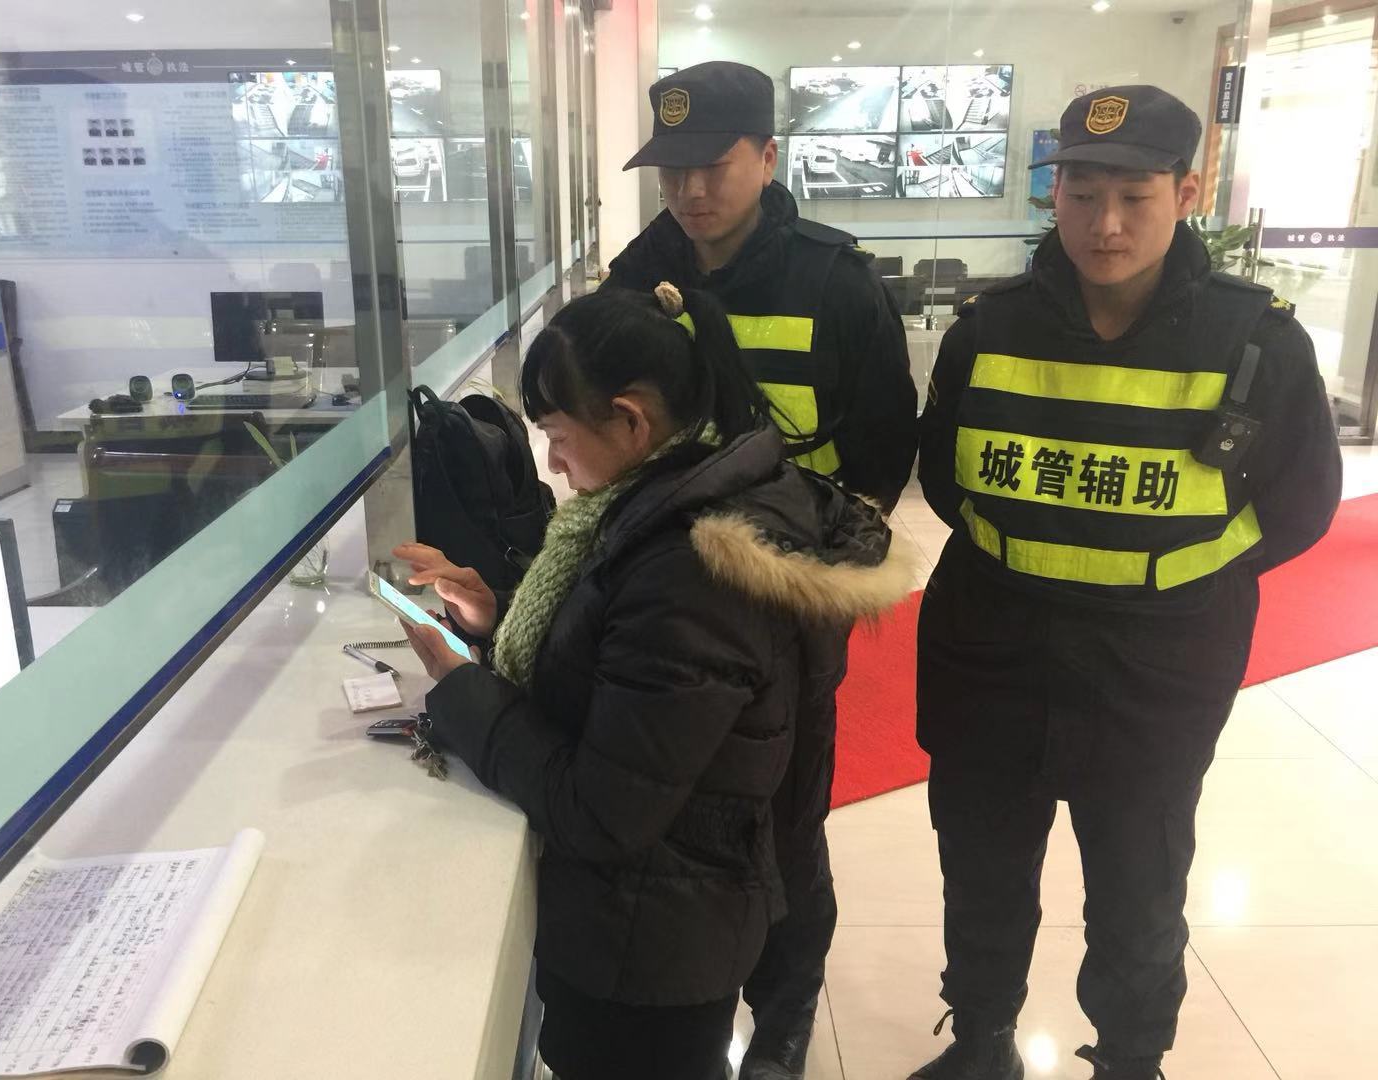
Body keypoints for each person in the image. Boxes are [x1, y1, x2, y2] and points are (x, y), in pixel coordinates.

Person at [910, 86, 1343, 1080]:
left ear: (1186, 193)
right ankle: (981, 1042)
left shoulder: (1258, 341)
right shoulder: (988, 329)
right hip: (993, 655)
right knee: (981, 876)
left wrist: (1165, 577)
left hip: (1158, 669)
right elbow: (944, 477)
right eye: (1082, 194)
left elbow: (1300, 505)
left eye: (1135, 197)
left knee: (1139, 893)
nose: (1105, 225)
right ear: (1053, 194)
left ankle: (1130, 1061)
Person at [395, 284, 915, 1080]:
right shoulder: (674, 499)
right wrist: (495, 615)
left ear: (631, 421)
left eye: (558, 436)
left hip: (648, 945)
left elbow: (602, 810)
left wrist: (461, 687)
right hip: (665, 918)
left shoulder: (688, 570)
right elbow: (617, 669)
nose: (554, 463)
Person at [606, 60, 919, 1079]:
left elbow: (882, 449)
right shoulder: (637, 272)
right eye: (672, 171)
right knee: (672, 802)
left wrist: (818, 563)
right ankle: (692, 991)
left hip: (787, 600)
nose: (691, 191)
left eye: (715, 165)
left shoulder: (834, 281)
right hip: (666, 593)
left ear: (769, 158)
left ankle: (783, 1012)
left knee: (785, 815)